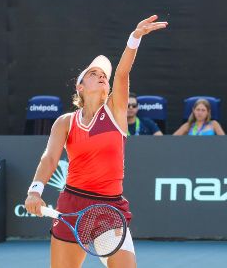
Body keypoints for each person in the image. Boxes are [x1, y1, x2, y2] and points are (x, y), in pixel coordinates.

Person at [24, 15, 167, 268]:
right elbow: (49, 158)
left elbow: (122, 74)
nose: (102, 76)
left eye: (104, 75)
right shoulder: (65, 122)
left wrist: (134, 38)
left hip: (110, 208)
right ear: (80, 87)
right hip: (71, 204)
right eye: (93, 73)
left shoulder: (115, 111)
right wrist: (34, 191)